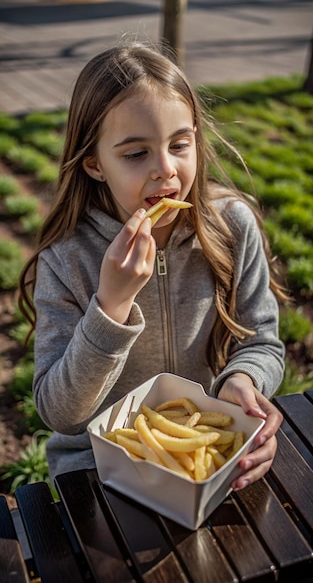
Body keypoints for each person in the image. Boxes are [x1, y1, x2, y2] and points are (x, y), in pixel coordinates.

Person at [19, 41, 287, 491]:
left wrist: (242, 379)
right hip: (96, 470)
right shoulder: (67, 258)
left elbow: (262, 340)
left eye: (180, 144)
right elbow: (61, 415)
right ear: (95, 164)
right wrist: (112, 304)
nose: (166, 169)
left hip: (202, 457)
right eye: (135, 154)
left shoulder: (230, 226)